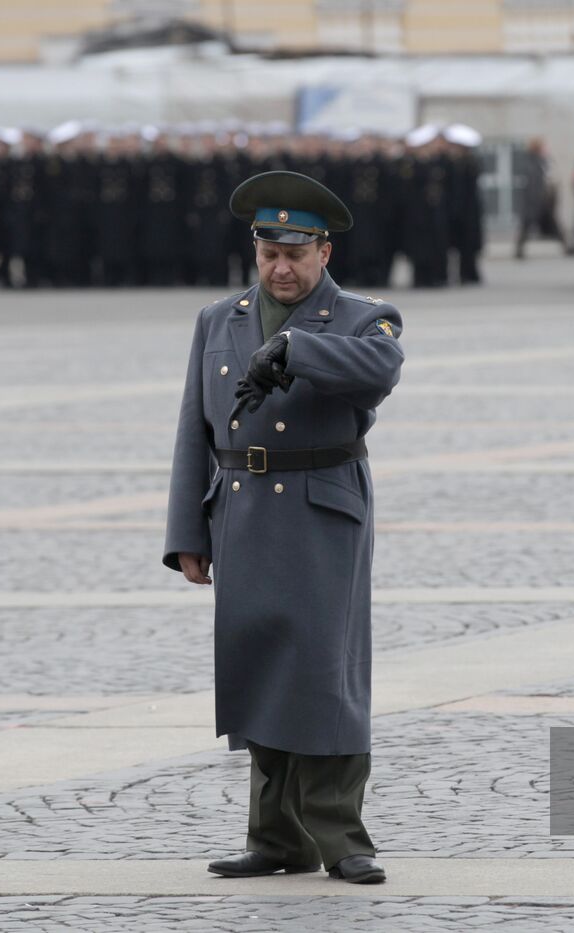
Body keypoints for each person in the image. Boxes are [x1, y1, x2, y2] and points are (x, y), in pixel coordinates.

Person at [163, 170, 403, 885]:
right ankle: (275, 837)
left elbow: (381, 366)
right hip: (240, 505)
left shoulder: (364, 316)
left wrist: (298, 351)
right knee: (259, 664)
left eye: (296, 253)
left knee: (324, 672)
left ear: (324, 253)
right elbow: (191, 430)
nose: (281, 267)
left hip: (321, 504)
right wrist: (187, 534)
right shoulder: (220, 317)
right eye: (270, 252)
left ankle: (341, 835)